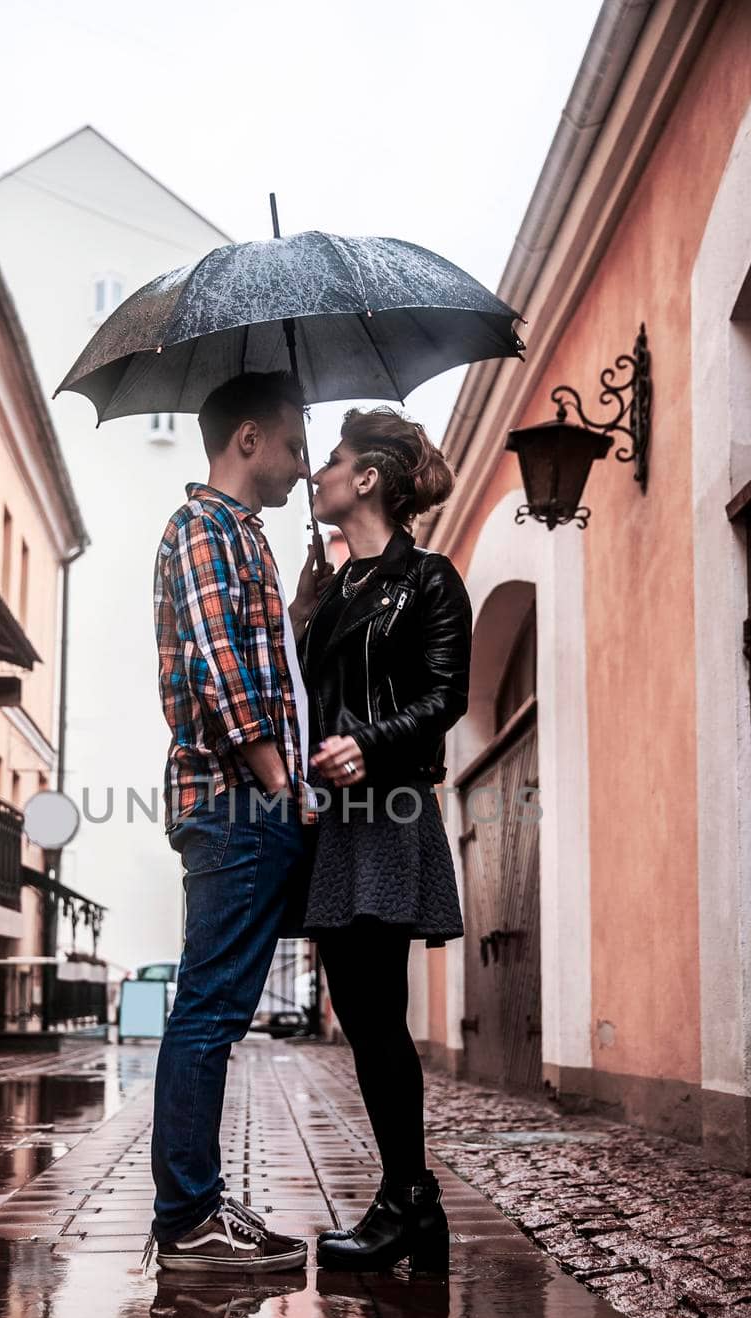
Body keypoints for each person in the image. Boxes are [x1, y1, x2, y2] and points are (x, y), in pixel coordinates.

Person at [146, 371, 334, 1272]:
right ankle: (187, 1220)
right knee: (209, 1012)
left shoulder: (241, 540)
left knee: (214, 1009)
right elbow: (223, 676)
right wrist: (279, 782)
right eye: (297, 446)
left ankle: (197, 1207)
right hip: (235, 801)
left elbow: (257, 655)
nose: (304, 466)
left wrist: (297, 605)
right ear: (249, 439)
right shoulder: (205, 529)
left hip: (240, 800)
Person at [293, 406, 472, 1274]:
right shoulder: (332, 590)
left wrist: (368, 743)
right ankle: (411, 1201)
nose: (317, 474)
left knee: (378, 1017)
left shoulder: (430, 580)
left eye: (331, 462)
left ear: (368, 479)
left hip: (391, 809)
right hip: (332, 822)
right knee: (363, 1018)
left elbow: (446, 697)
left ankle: (408, 1199)